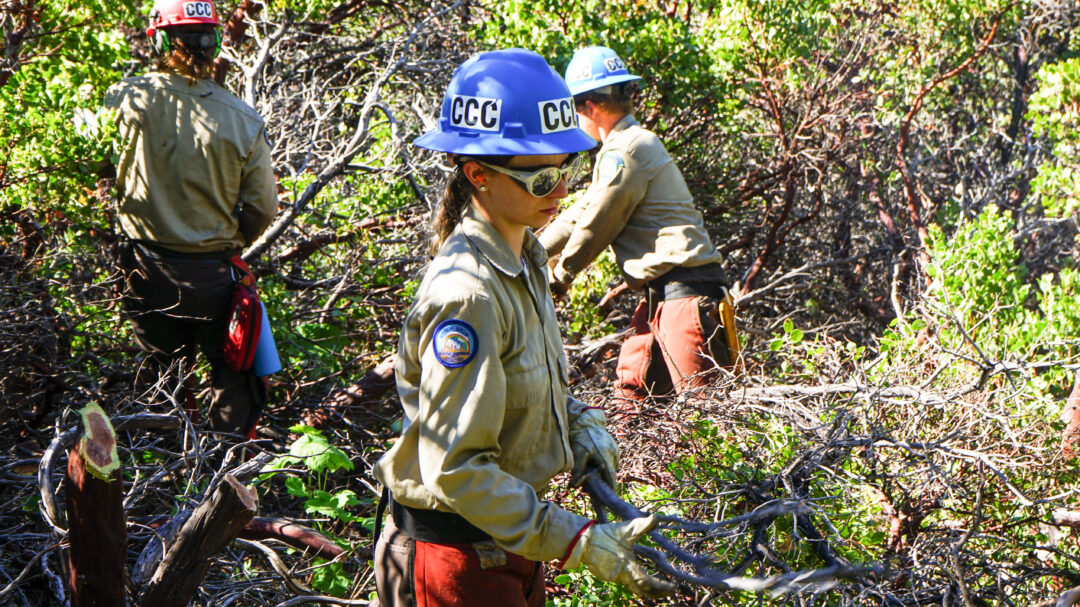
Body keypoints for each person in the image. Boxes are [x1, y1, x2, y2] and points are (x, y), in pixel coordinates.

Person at [372, 49, 674, 606]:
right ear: (478, 175)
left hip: (508, 545)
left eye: (568, 170)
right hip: (455, 564)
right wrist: (576, 539)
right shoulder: (468, 296)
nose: (560, 192)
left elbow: (521, 388)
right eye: (541, 180)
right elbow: (457, 468)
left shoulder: (526, 259)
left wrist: (576, 421)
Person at [105, 0, 278, 436]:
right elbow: (263, 208)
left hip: (143, 269)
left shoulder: (122, 100)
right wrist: (227, 240)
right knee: (235, 379)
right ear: (215, 42)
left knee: (159, 381)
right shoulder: (242, 117)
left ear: (160, 39)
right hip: (214, 276)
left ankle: (157, 475)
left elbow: (94, 167)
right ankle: (221, 476)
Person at [540, 45, 740, 403]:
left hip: (685, 295)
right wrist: (531, 251)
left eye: (575, 109)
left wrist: (558, 277)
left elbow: (597, 223)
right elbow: (581, 212)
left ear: (589, 107)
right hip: (657, 301)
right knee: (632, 405)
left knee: (705, 416)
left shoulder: (627, 150)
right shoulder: (626, 147)